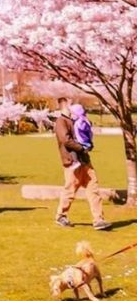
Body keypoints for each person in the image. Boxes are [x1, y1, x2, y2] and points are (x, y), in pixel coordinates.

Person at [54, 97, 111, 230]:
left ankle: (98, 219)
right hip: (72, 162)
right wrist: (82, 147)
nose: (73, 107)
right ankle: (61, 215)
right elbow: (66, 141)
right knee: (70, 190)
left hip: (84, 160)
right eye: (70, 105)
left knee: (94, 189)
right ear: (64, 106)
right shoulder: (61, 121)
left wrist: (88, 145)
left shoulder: (75, 121)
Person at [69, 103, 94, 170]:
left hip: (83, 142)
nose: (71, 116)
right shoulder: (84, 120)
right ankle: (83, 162)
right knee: (82, 155)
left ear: (77, 114)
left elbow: (82, 128)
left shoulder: (80, 122)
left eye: (73, 114)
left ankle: (76, 161)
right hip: (87, 143)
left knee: (71, 146)